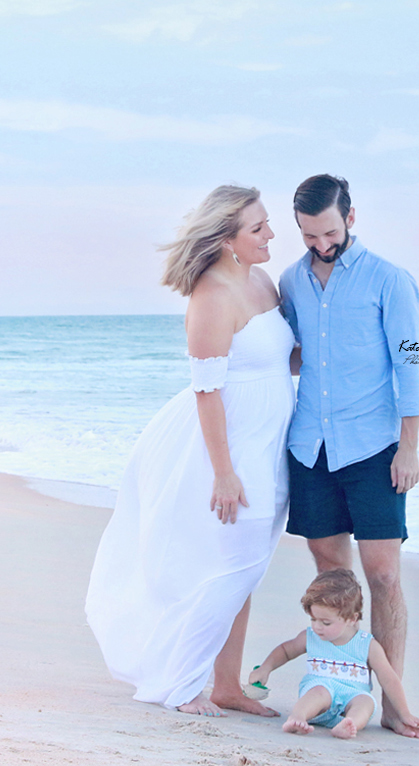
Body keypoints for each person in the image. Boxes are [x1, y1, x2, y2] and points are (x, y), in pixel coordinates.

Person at [86, 185, 295, 717]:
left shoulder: (263, 282)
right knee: (232, 565)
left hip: (270, 441)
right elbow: (208, 392)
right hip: (226, 446)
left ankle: (228, 686)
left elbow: (281, 362)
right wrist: (223, 474)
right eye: (258, 227)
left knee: (249, 565)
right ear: (227, 238)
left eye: (267, 223)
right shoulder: (211, 296)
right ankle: (180, 683)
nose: (271, 233)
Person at [276, 174, 419, 731]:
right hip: (310, 446)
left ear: (352, 218)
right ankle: (341, 689)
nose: (321, 245)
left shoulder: (390, 281)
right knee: (331, 576)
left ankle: (393, 704)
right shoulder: (291, 281)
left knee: (383, 576)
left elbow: (411, 368)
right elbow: (290, 356)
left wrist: (408, 449)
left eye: (330, 232)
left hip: (373, 447)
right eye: (309, 235)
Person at [248, 569, 419, 739]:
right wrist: (265, 668)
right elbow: (285, 651)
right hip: (320, 690)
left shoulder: (367, 645)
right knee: (317, 693)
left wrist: (404, 713)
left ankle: (350, 725)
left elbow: (388, 678)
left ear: (352, 619)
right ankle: (297, 718)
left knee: (365, 703)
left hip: (353, 693)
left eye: (326, 622)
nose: (317, 627)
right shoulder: (310, 637)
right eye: (313, 619)